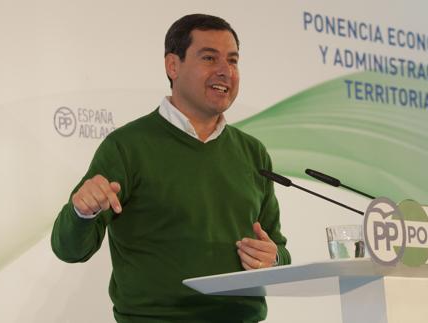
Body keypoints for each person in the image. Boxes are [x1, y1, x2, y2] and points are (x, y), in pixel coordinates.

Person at [51, 14, 291, 323]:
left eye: (232, 61)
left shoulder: (253, 152)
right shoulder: (127, 146)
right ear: (172, 66)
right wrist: (81, 212)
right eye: (209, 58)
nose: (225, 71)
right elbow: (69, 249)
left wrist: (273, 260)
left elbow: (279, 250)